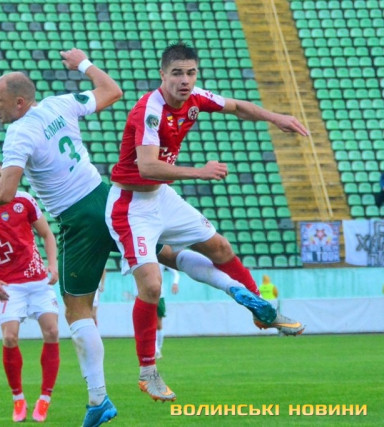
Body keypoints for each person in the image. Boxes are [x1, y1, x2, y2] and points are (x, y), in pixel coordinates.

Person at [105, 42, 307, 402]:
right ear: (162, 74)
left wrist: (276, 118)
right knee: (151, 285)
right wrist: (199, 171)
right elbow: (147, 167)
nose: (185, 80)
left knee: (220, 247)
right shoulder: (149, 110)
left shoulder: (195, 98)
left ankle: (261, 310)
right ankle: (148, 372)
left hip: (161, 197)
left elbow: (238, 107)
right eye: (177, 73)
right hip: (130, 205)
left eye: (191, 73)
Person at [0, 48, 122, 427]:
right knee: (166, 254)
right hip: (104, 196)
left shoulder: (18, 134)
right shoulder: (60, 104)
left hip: (74, 222)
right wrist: (83, 63)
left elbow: (9, 194)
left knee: (72, 316)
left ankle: (86, 398)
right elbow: (112, 91)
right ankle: (236, 284)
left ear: (19, 102)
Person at [0, 159, 60, 423]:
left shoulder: (24, 200)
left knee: (52, 332)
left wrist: (52, 265)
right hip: (9, 286)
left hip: (39, 282)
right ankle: (18, 398)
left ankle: (44, 399)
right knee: (9, 338)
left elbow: (47, 235)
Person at [155, 265, 179, 359]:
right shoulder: (144, 258)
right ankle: (155, 350)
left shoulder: (160, 260)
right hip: (144, 295)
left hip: (159, 296)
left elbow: (175, 273)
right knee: (149, 324)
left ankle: (158, 349)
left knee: (158, 324)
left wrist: (175, 283)